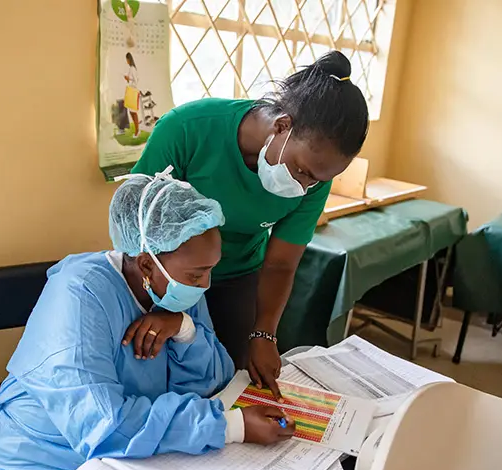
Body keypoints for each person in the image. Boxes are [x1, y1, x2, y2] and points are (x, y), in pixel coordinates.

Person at [0, 170, 296, 470]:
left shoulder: (179, 286)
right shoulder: (79, 295)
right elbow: (103, 426)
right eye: (197, 275)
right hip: (46, 451)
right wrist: (229, 426)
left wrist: (183, 329)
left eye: (210, 270)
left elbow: (214, 379)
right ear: (147, 264)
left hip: (130, 438)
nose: (205, 284)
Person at [132, 51, 369, 401]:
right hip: (166, 277)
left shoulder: (315, 178)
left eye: (317, 181)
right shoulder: (188, 129)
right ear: (282, 126)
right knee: (152, 377)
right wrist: (170, 306)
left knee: (227, 384)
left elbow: (281, 263)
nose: (304, 188)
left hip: (239, 277)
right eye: (302, 171)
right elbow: (138, 223)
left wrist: (264, 334)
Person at [124, 52, 140, 137]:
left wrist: (128, 78)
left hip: (133, 91)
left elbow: (135, 81)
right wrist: (128, 79)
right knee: (131, 111)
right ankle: (136, 129)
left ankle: (137, 130)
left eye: (127, 59)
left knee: (133, 112)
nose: (126, 61)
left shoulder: (132, 68)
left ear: (129, 59)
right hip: (131, 90)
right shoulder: (131, 68)